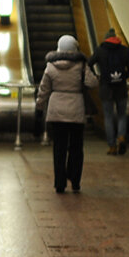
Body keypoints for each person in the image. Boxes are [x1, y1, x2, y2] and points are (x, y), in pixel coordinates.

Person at [35, 35, 97, 193]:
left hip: (56, 110)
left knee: (59, 148)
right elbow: (92, 82)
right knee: (76, 147)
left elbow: (44, 89)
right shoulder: (81, 65)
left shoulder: (51, 66)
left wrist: (39, 106)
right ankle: (75, 180)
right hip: (76, 109)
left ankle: (59, 183)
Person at [88, 28, 129, 155]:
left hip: (106, 88)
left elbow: (88, 64)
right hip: (121, 87)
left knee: (108, 117)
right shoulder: (125, 51)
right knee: (122, 115)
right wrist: (122, 77)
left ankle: (112, 146)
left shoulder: (100, 50)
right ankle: (121, 137)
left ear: (106, 39)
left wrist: (97, 76)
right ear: (116, 38)